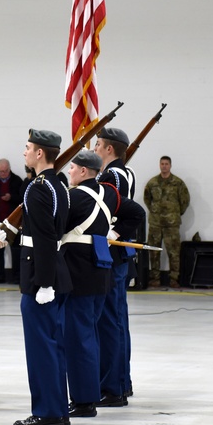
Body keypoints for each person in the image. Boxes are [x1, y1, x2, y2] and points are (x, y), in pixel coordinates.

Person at [60, 150, 127, 419]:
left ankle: (85, 400)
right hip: (101, 271)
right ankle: (93, 391)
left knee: (78, 339)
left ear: (85, 171)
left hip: (78, 275)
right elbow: (135, 213)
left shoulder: (74, 197)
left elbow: (57, 227)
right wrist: (115, 234)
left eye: (73, 168)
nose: (69, 172)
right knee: (90, 336)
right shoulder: (108, 194)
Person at [14, 129, 72, 425]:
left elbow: (46, 238)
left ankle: (48, 412)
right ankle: (57, 409)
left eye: (27, 148)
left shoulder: (37, 188)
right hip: (51, 273)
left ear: (39, 153)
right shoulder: (58, 184)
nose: (23, 152)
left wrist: (44, 282)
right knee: (53, 345)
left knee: (42, 349)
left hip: (40, 279)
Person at [94, 127, 137, 406]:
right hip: (119, 256)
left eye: (98, 144)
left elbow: (121, 211)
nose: (94, 148)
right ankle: (122, 381)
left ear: (110, 149)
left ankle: (113, 387)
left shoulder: (113, 175)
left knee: (111, 321)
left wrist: (114, 234)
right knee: (117, 319)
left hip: (113, 255)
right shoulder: (125, 172)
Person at [143, 155, 191, 288]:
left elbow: (185, 201)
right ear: (159, 165)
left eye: (166, 164)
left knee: (174, 252)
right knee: (154, 251)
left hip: (172, 224)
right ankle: (155, 278)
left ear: (170, 166)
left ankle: (174, 279)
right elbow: (147, 199)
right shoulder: (152, 183)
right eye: (162, 164)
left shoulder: (178, 183)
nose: (164, 166)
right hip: (155, 223)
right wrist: (155, 211)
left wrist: (175, 213)